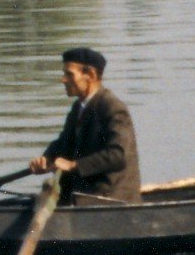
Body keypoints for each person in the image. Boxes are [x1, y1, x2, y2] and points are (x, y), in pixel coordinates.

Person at [29, 47, 141, 203]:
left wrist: (74, 165)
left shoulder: (112, 107)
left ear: (90, 75)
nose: (63, 80)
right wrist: (46, 159)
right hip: (81, 195)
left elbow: (117, 155)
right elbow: (64, 143)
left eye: (69, 74)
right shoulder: (78, 107)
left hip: (110, 199)